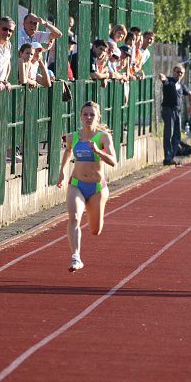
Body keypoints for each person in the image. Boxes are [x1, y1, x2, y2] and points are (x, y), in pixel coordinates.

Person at [57, 101, 117, 272]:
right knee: (74, 218)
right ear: (81, 117)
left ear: (98, 117)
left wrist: (98, 151)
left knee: (95, 230)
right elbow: (68, 151)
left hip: (97, 188)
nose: (88, 117)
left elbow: (113, 161)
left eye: (92, 115)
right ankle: (76, 257)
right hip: (76, 185)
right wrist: (62, 171)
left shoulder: (103, 137)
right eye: (85, 114)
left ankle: (93, 216)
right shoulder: (73, 137)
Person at [158, 64, 191, 166]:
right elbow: (164, 79)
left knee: (177, 135)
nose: (179, 74)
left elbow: (190, 93)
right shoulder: (169, 81)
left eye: (181, 73)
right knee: (169, 134)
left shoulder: (181, 86)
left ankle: (172, 157)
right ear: (173, 72)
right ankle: (168, 157)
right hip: (168, 110)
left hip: (177, 111)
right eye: (177, 72)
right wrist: (162, 77)